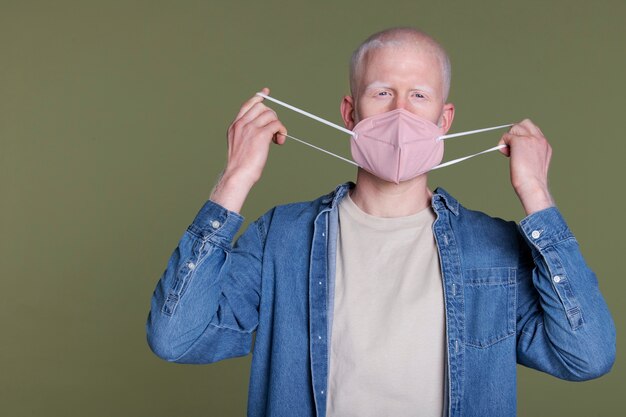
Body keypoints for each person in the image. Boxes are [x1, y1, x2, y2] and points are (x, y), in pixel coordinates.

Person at [146, 27, 615, 417]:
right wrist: (234, 180)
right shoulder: (281, 238)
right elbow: (176, 339)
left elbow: (587, 355)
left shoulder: (492, 246)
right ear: (350, 113)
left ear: (444, 119)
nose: (400, 113)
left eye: (419, 95)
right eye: (382, 93)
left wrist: (537, 196)